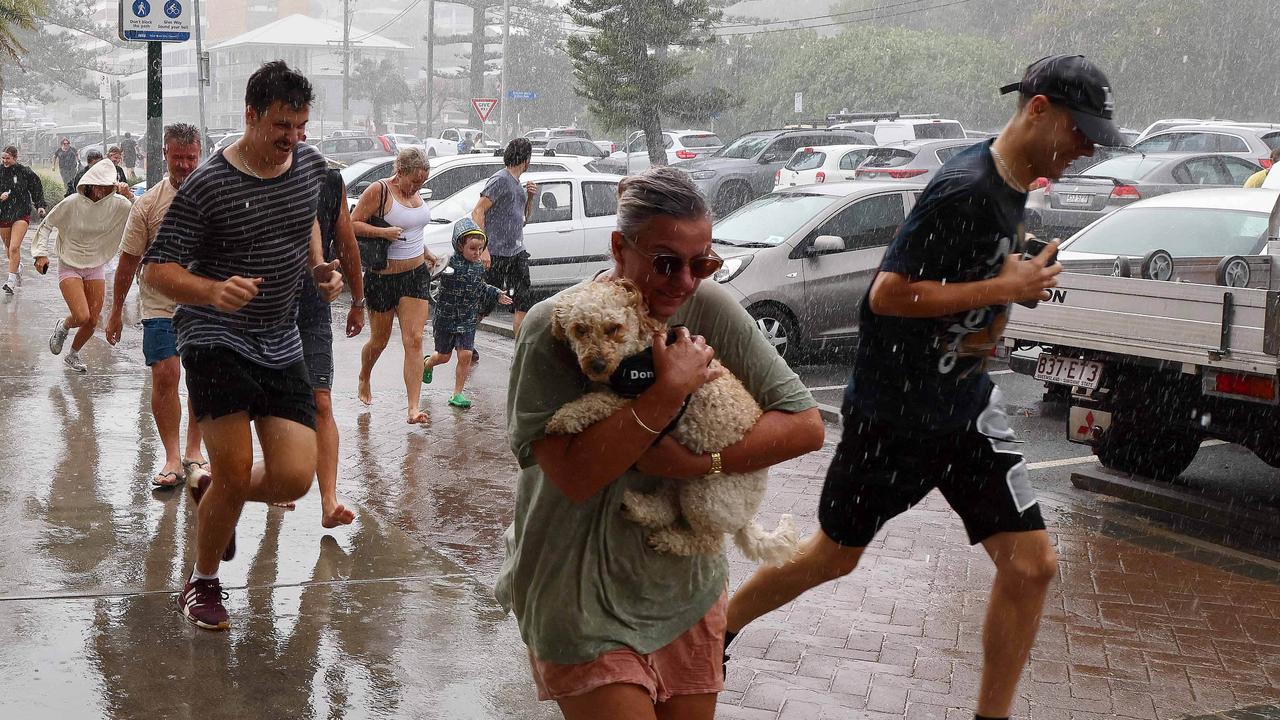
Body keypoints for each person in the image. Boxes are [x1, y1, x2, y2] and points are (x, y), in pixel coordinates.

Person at [723, 55, 1121, 720]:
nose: (1085, 150)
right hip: (894, 418)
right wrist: (1004, 287)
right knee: (831, 558)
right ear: (1039, 109)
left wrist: (1012, 284)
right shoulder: (965, 187)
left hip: (966, 413)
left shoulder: (1016, 186)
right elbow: (886, 295)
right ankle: (718, 631)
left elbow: (975, 286)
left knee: (1032, 566)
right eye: (1079, 132)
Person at [494, 166, 825, 719]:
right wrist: (667, 391)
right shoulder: (557, 327)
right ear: (620, 247)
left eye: (703, 264)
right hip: (578, 590)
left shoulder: (708, 308)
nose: (685, 283)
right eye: (667, 263)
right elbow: (574, 477)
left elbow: (805, 425)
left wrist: (702, 462)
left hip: (682, 591)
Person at [141, 60, 342, 631]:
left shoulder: (308, 166)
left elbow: (305, 218)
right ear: (250, 116)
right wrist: (211, 290)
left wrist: (321, 269)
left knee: (293, 479)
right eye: (282, 125)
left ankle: (211, 497)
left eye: (301, 125)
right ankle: (202, 583)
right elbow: (159, 270)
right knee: (236, 467)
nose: (292, 138)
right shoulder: (209, 184)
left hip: (280, 338)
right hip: (213, 335)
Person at [104, 123, 211, 488]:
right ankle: (171, 456)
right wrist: (116, 311)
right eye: (177, 157)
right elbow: (127, 262)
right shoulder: (147, 204)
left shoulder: (217, 197)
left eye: (191, 158)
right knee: (166, 374)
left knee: (202, 375)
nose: (184, 165)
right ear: (164, 155)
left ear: (200, 155)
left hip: (205, 301)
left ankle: (194, 450)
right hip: (159, 301)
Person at [296, 164, 366, 527]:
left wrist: (358, 300)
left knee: (321, 399)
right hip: (268, 305)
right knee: (273, 402)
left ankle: (328, 501)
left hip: (314, 306)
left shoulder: (328, 180)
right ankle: (281, 479)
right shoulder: (258, 175)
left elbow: (346, 237)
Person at [351, 147, 437, 424]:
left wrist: (426, 252)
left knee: (414, 340)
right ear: (399, 173)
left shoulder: (415, 193)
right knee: (380, 341)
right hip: (382, 278)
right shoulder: (379, 191)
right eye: (414, 181)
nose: (417, 187)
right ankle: (365, 375)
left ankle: (413, 408)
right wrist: (382, 232)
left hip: (415, 276)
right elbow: (351, 225)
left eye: (422, 183)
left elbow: (411, 229)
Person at [32, 158, 133, 373]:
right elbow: (47, 224)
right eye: (98, 185)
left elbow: (141, 216)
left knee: (92, 320)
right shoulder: (72, 203)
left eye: (107, 187)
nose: (101, 191)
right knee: (81, 315)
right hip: (70, 263)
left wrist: (130, 196)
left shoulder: (120, 204)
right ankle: (64, 325)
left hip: (96, 264)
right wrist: (40, 254)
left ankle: (73, 354)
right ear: (89, 183)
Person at [421, 218, 511, 409]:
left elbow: (479, 286)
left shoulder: (478, 266)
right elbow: (432, 275)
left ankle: (457, 394)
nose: (477, 253)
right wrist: (430, 269)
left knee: (466, 355)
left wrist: (496, 294)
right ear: (460, 245)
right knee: (443, 357)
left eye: (480, 249)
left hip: (467, 319)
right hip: (446, 318)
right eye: (473, 248)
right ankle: (428, 363)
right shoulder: (449, 262)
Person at [472, 137, 537, 336]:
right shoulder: (500, 180)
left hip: (517, 253)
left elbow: (523, 220)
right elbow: (478, 211)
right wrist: (483, 248)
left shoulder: (518, 185)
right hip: (497, 254)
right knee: (486, 303)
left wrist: (531, 198)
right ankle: (465, 338)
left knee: (523, 301)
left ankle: (519, 350)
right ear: (526, 159)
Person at [0, 145, 46, 294]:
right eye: (3, 158)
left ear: (15, 157)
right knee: (9, 249)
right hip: (4, 213)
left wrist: (40, 206)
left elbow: (36, 188)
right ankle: (17, 267)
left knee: (14, 247)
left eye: (8, 158)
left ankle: (11, 282)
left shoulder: (24, 172)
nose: (5, 161)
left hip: (21, 212)